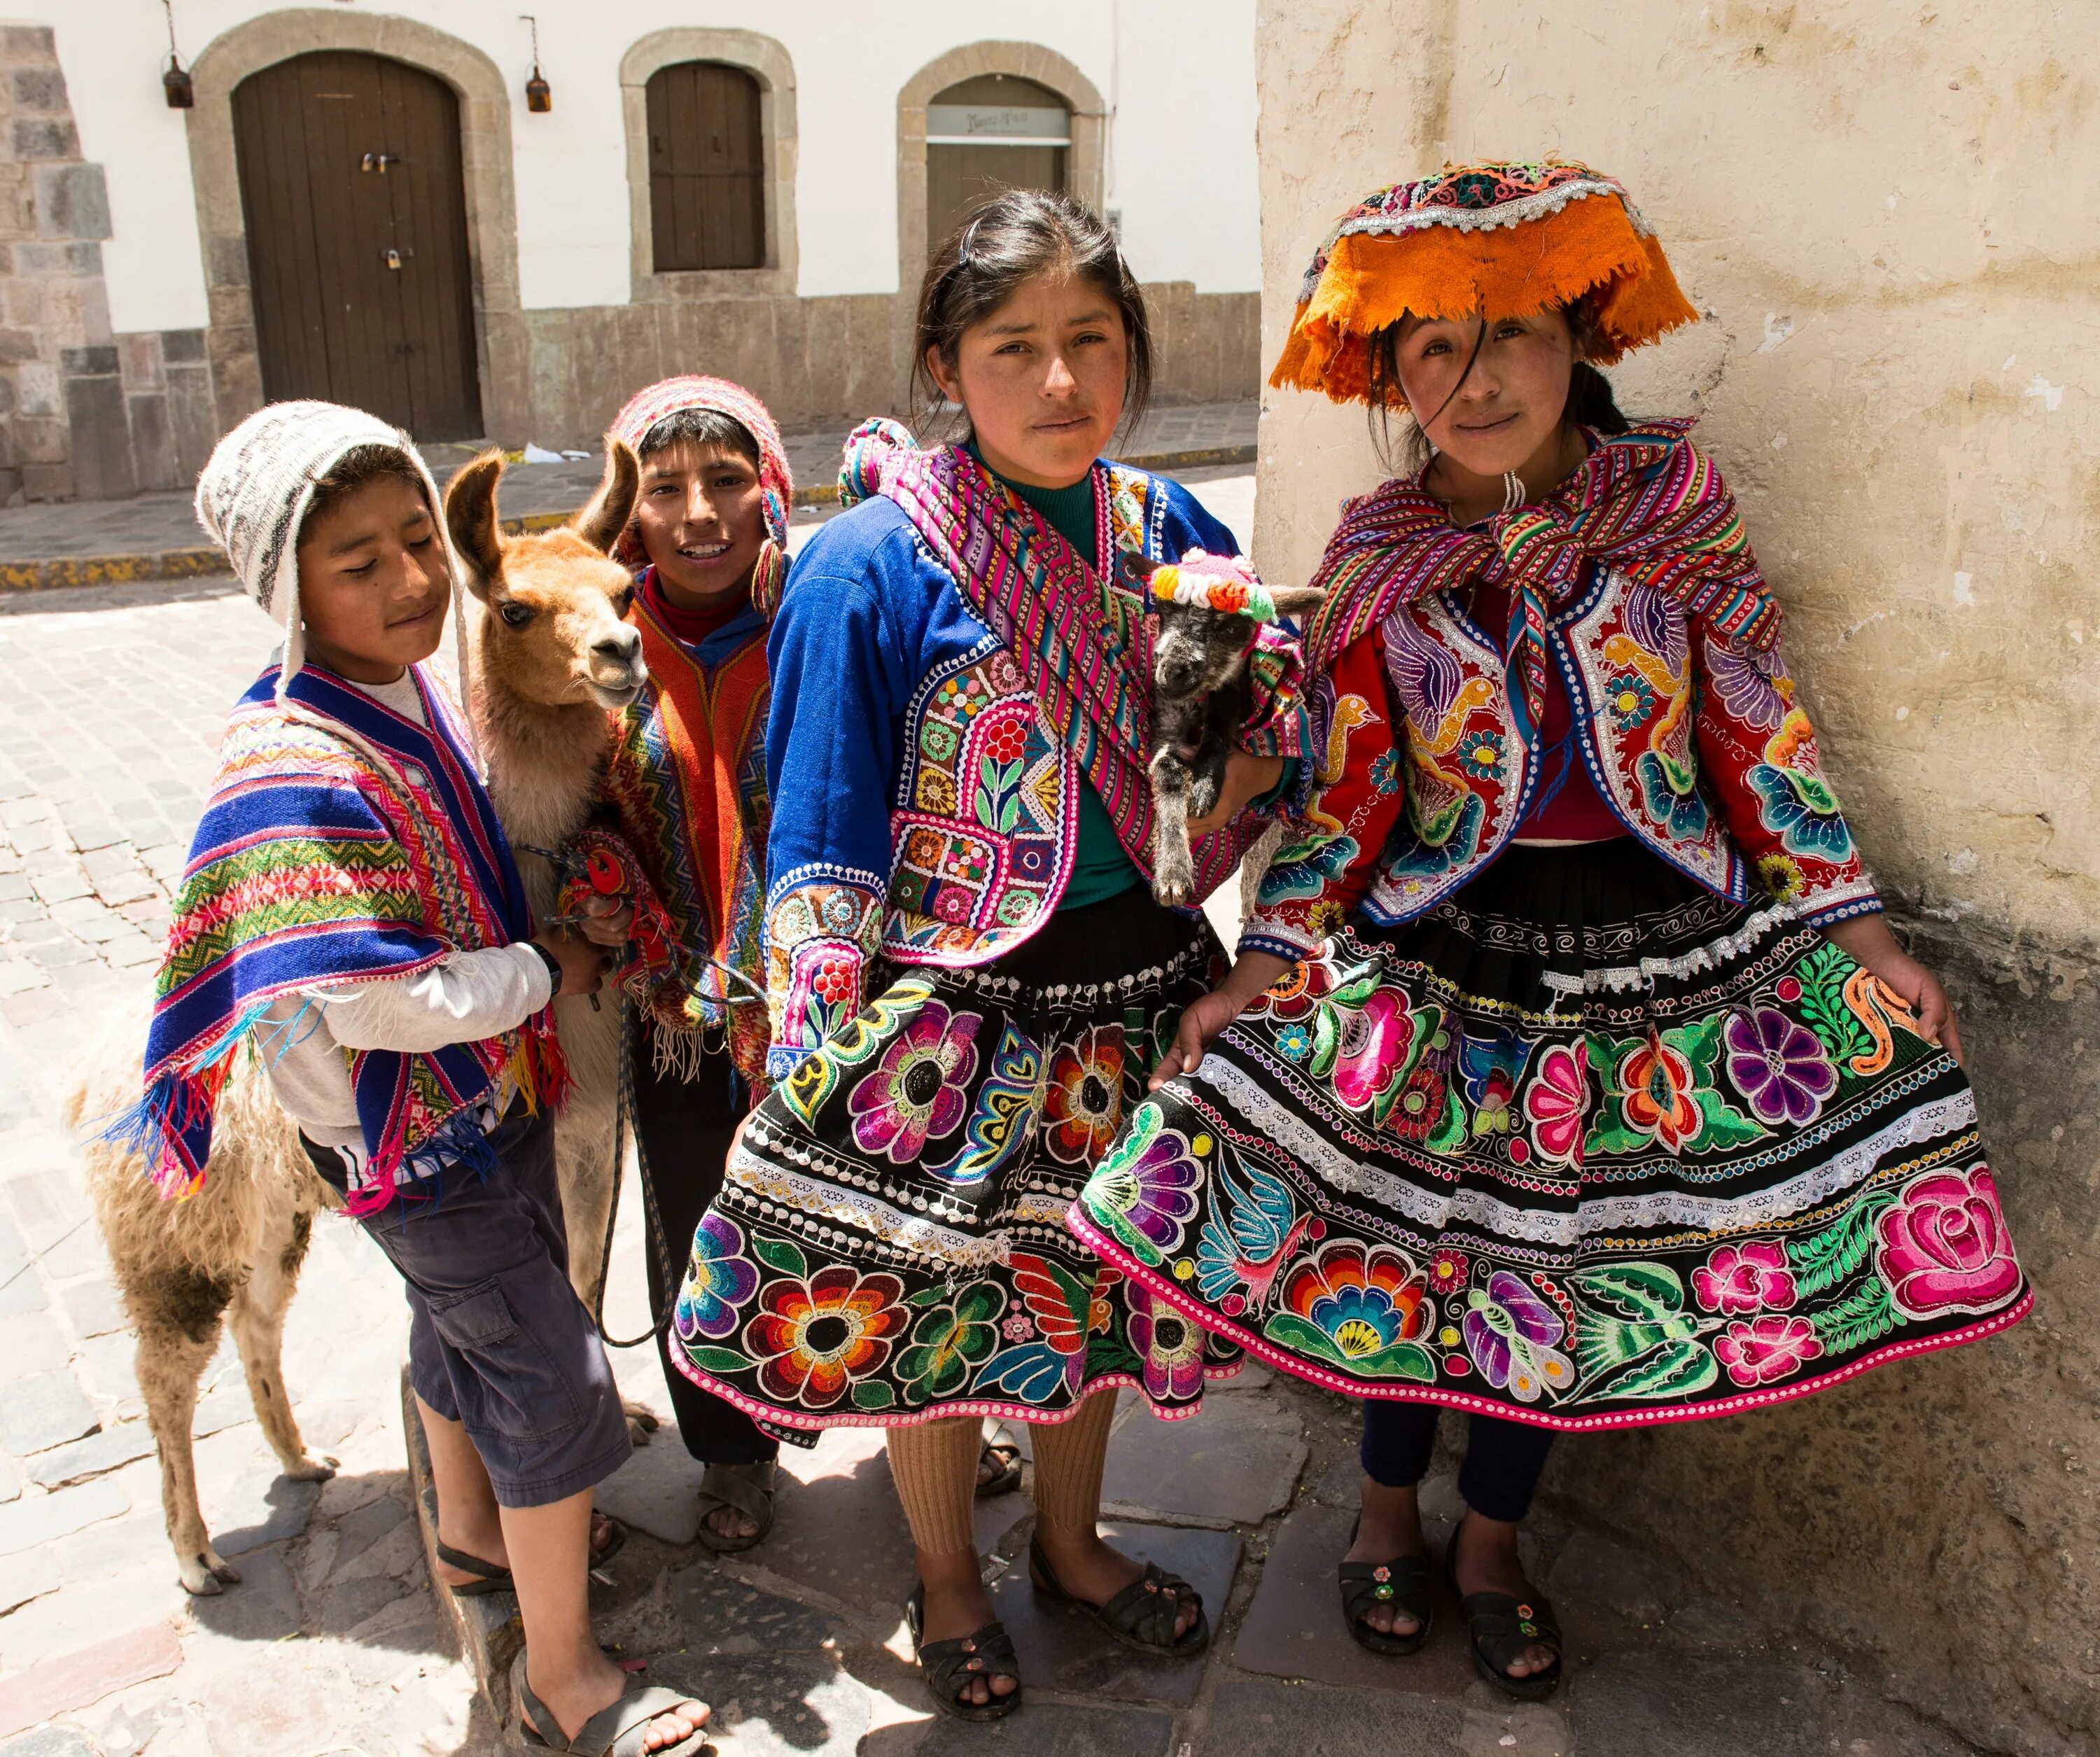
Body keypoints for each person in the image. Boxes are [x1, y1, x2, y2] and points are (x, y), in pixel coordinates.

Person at [1070, 159, 2029, 1702]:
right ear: (1387, 374)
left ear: (1577, 335)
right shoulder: (1382, 550)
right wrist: (1270, 959)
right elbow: (1355, 785)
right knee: (1404, 1254)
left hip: (1656, 945)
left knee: (1553, 1278)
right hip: (1445, 948)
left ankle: (1492, 1539)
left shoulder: (1671, 508)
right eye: (1431, 348)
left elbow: (1753, 729)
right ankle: (1386, 1507)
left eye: (1507, 331)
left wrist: (1854, 936)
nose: (1475, 376)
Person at [662, 190, 1304, 1720]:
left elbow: (1242, 748)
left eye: (1093, 340)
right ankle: (949, 1573)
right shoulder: (869, 569)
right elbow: (817, 834)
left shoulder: (1179, 535)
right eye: (1017, 346)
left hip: (1137, 988)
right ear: (948, 365)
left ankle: (1075, 1544)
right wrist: (817, 1059)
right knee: (932, 1308)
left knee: (1087, 1296)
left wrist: (1252, 785)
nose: (1064, 380)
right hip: (945, 1018)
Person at [130, 401, 710, 1756]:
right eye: (355, 560)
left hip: (473, 1108)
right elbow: (379, 996)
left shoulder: (401, 702)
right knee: (556, 1380)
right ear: (289, 586)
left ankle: (469, 1549)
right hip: (412, 1132)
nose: (404, 580)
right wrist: (550, 961)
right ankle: (563, 1676)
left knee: (461, 1338)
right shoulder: (295, 764)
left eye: (412, 544)